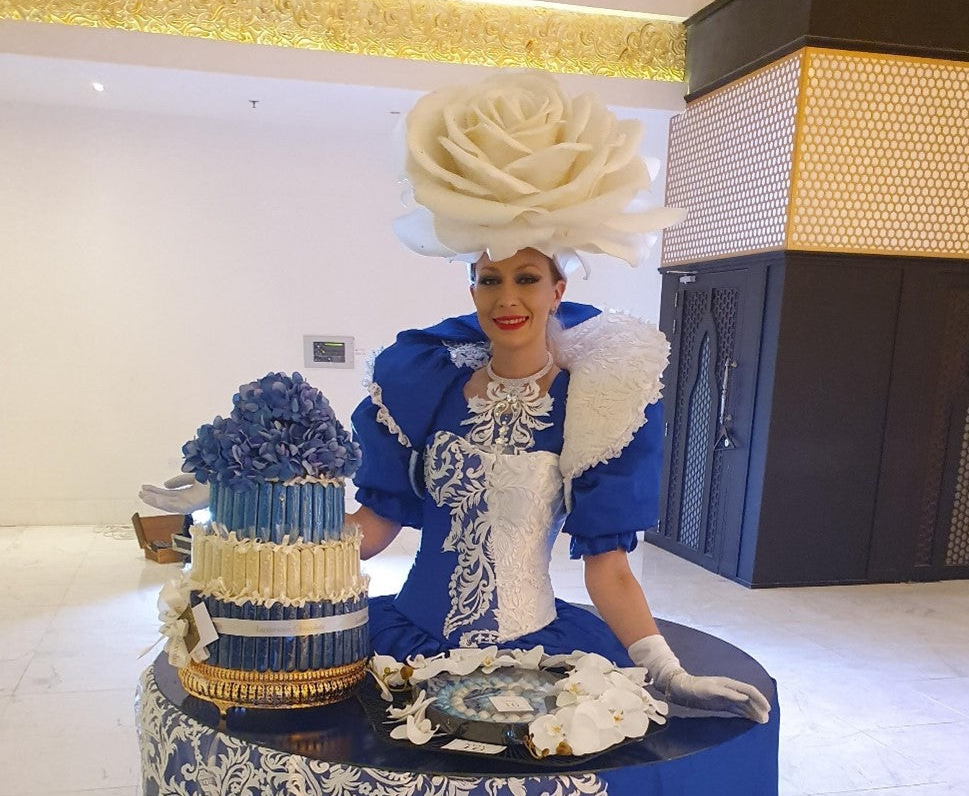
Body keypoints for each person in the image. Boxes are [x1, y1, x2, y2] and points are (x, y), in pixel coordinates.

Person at [142, 71, 769, 723]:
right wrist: (250, 506)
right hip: (404, 642)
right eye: (488, 279)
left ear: (557, 288)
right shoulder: (428, 387)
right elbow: (369, 532)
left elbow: (607, 570)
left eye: (526, 278)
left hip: (531, 657)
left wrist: (668, 672)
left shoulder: (596, 406)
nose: (506, 298)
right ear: (470, 287)